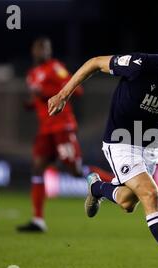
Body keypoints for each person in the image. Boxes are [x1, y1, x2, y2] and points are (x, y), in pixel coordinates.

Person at [47, 36, 158, 268]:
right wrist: (62, 94)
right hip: (120, 141)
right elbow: (94, 63)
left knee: (127, 202)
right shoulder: (142, 65)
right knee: (150, 194)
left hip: (150, 146)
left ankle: (97, 187)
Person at [17, 37, 112, 233]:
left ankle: (119, 184)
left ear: (49, 51)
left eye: (44, 48)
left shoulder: (56, 68)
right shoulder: (32, 74)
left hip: (62, 126)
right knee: (37, 168)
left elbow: (77, 91)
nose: (40, 52)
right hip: (45, 129)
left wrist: (46, 92)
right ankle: (38, 220)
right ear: (32, 51)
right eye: (37, 48)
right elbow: (38, 99)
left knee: (75, 170)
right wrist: (30, 103)